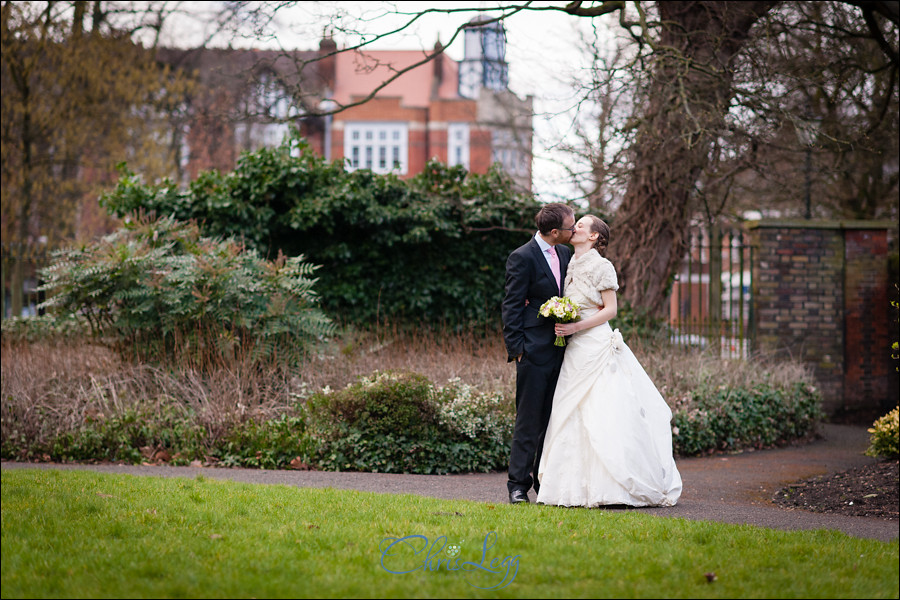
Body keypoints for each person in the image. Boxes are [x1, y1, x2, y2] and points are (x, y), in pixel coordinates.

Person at [536, 215, 682, 508]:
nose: (573, 227)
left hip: (595, 345)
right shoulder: (570, 262)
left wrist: (575, 326)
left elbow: (611, 310)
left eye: (580, 225)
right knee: (572, 409)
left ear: (593, 236)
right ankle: (569, 488)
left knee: (602, 409)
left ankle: (613, 486)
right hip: (575, 349)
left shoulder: (602, 265)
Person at [502, 202, 575, 504]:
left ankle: (544, 480)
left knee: (553, 419)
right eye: (571, 227)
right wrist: (517, 349)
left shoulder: (567, 254)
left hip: (564, 350)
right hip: (532, 351)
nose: (575, 230)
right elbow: (511, 304)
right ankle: (518, 485)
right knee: (529, 420)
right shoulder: (522, 257)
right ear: (555, 231)